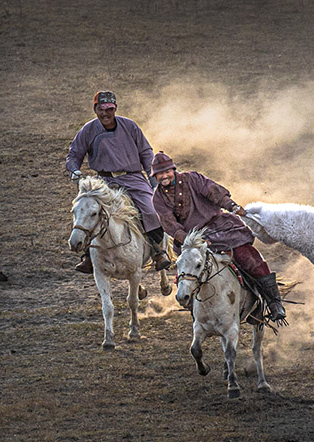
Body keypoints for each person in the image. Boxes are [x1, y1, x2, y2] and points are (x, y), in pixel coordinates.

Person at [150, 151, 287, 324]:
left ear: (173, 170)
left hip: (220, 226)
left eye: (167, 171)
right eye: (159, 174)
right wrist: (190, 240)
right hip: (191, 238)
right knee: (188, 272)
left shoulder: (192, 179)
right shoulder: (157, 198)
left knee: (248, 257)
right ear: (155, 176)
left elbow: (213, 192)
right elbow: (169, 224)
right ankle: (198, 313)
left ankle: (274, 303)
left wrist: (232, 206)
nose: (164, 176)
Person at [65, 91, 171, 274]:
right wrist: (74, 170)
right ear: (95, 109)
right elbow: (74, 154)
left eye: (110, 109)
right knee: (88, 210)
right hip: (104, 181)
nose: (105, 113)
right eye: (101, 109)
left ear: (115, 109)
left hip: (133, 177)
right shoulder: (88, 130)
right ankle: (89, 256)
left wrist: (154, 182)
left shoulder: (129, 126)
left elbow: (146, 153)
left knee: (150, 209)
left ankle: (157, 251)